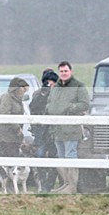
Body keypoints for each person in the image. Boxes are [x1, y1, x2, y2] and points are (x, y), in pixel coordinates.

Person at [46, 61, 89, 193]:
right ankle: (66, 183)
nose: (64, 73)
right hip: (57, 128)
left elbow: (84, 104)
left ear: (70, 71)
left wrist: (70, 108)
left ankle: (72, 186)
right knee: (60, 156)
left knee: (71, 154)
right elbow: (49, 102)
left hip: (71, 128)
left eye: (66, 71)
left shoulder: (79, 86)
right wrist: (50, 108)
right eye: (61, 71)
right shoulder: (56, 88)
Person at [29, 68, 59, 191]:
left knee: (54, 157)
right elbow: (34, 109)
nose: (49, 84)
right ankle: (42, 183)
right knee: (40, 156)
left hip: (52, 132)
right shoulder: (38, 94)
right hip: (41, 132)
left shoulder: (58, 93)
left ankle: (50, 183)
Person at [0, 77, 29, 157]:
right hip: (6, 136)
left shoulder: (17, 99)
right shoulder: (7, 97)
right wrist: (17, 128)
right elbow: (5, 114)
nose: (24, 92)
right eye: (23, 90)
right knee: (8, 157)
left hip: (14, 136)